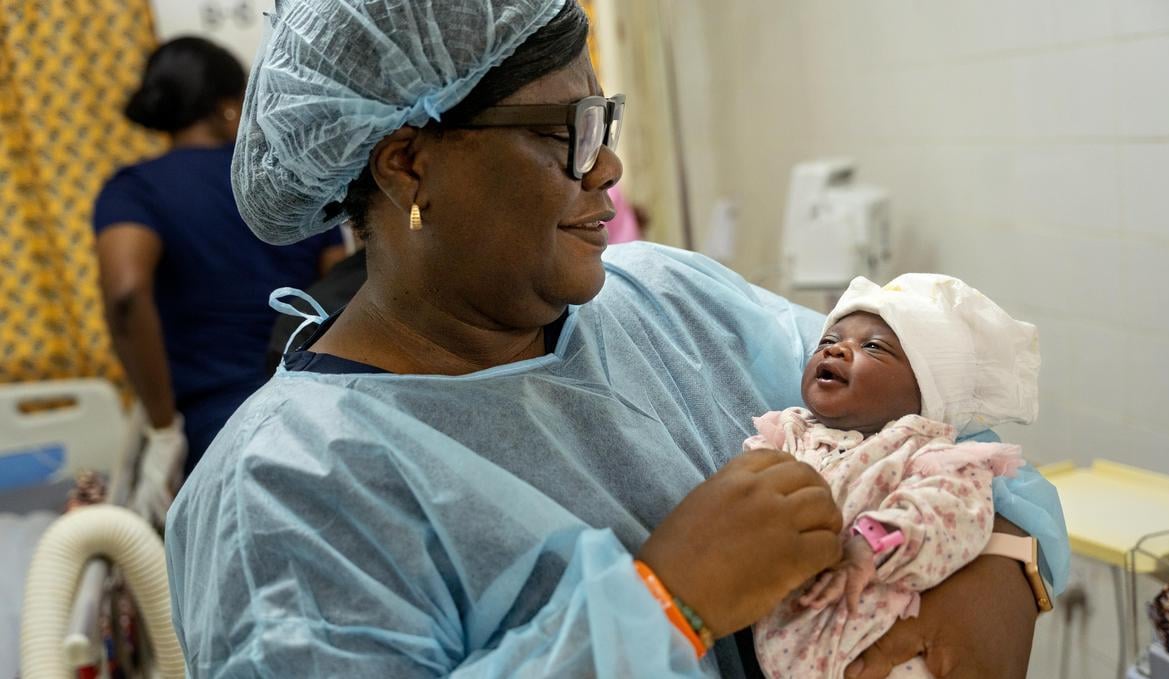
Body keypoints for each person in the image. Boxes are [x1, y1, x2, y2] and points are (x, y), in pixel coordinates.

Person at [164, 2, 1068, 677]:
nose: (606, 166)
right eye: (566, 130)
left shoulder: (671, 302)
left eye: (605, 119)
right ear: (410, 162)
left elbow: (958, 442)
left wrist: (998, 563)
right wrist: (666, 603)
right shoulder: (286, 495)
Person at [93, 36, 345, 523]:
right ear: (231, 107)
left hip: (216, 430)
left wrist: (163, 429)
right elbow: (341, 288)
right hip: (316, 412)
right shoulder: (292, 184)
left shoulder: (136, 190)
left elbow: (125, 293)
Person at [744, 274, 1041, 679]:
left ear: (925, 393)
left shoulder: (927, 451)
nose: (838, 350)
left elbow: (946, 516)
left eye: (872, 347)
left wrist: (872, 544)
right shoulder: (790, 431)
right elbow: (746, 493)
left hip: (879, 648)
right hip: (790, 650)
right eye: (828, 341)